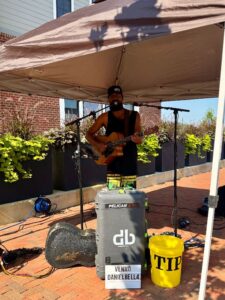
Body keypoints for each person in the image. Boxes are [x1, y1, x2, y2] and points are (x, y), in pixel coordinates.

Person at [86, 85, 143, 189]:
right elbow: (88, 134)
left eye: (118, 95)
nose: (115, 97)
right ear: (108, 99)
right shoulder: (104, 116)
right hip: (112, 160)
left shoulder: (134, 115)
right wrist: (98, 145)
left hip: (129, 161)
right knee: (113, 192)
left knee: (129, 193)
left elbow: (139, 138)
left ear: (122, 98)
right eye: (112, 96)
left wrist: (138, 139)